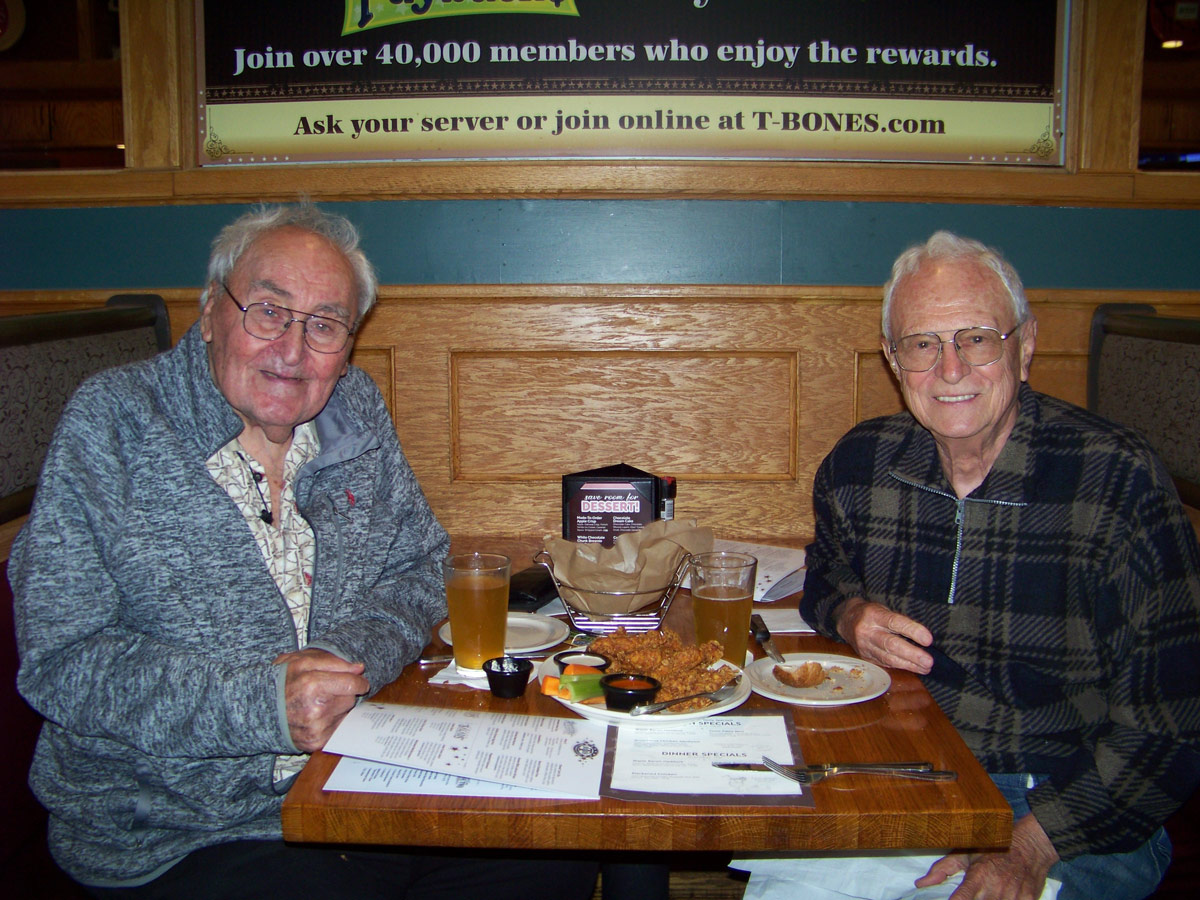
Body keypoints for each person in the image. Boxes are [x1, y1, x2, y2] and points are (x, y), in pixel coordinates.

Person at [10, 203, 597, 900]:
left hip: (352, 787)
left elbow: (419, 565)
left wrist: (345, 662)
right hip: (181, 829)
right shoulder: (114, 423)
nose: (293, 351)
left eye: (325, 324)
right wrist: (262, 703)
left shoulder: (354, 410)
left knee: (552, 852)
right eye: (268, 311)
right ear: (208, 313)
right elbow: (62, 660)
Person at [731, 231, 1200, 900]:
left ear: (1026, 343)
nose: (950, 369)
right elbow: (825, 575)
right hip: (899, 775)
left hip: (1069, 804)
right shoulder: (860, 465)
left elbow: (1172, 726)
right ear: (894, 360)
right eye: (923, 344)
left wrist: (1029, 844)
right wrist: (850, 613)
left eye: (977, 338)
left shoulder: (1115, 481)